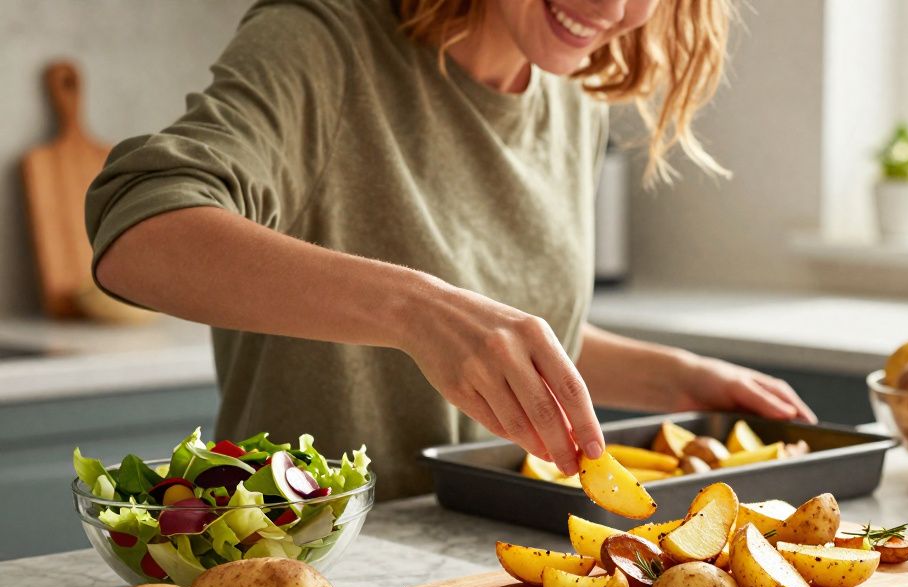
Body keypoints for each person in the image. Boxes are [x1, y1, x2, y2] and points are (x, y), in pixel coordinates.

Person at [86, 0, 814, 501]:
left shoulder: (573, 95)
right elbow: (138, 229)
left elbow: (490, 339)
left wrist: (677, 382)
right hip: (303, 574)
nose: (612, 6)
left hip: (483, 577)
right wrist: (417, 311)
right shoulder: (323, 41)